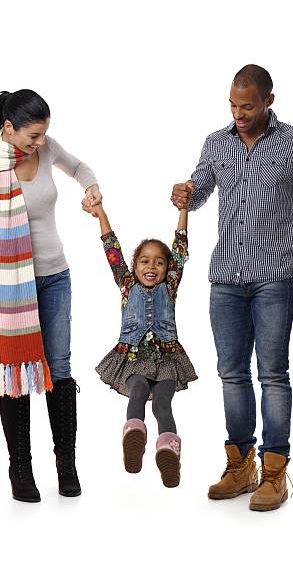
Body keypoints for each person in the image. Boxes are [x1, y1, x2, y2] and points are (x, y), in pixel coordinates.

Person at [171, 64, 293, 511]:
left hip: (273, 277)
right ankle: (239, 465)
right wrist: (187, 191)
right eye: (232, 105)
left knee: (272, 375)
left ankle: (275, 472)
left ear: (269, 100)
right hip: (225, 276)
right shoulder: (217, 142)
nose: (238, 113)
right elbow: (202, 186)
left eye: (247, 106)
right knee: (231, 375)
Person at [0, 89, 102, 502]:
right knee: (19, 373)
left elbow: (79, 167)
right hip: (11, 288)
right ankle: (20, 468)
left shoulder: (45, 148)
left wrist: (92, 188)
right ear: (9, 129)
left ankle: (66, 464)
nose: (40, 143)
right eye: (33, 136)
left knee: (59, 368)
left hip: (55, 276)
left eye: (44, 136)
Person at [81, 197, 197, 487]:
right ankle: (135, 439)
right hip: (132, 359)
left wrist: (184, 210)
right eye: (145, 261)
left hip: (168, 360)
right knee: (139, 391)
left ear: (167, 268)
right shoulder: (126, 284)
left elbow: (181, 249)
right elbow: (112, 249)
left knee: (163, 405)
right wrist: (101, 214)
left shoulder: (170, 285)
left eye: (160, 262)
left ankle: (168, 455)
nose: (152, 266)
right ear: (134, 266)